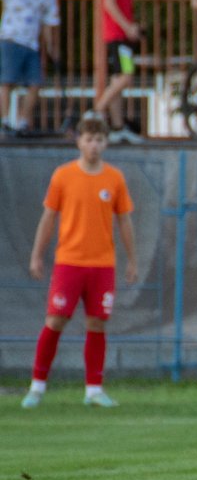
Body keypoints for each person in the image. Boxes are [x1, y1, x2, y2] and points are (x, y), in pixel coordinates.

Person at [23, 116, 137, 408]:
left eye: (99, 139)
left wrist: (132, 260)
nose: (94, 145)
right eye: (89, 139)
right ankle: (37, 386)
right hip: (69, 262)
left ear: (106, 142)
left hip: (102, 265)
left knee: (97, 323)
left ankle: (94, 390)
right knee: (55, 320)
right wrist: (37, 255)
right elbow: (48, 217)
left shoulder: (114, 178)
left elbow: (124, 221)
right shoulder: (63, 176)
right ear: (79, 141)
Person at [92, 0, 145, 144]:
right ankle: (96, 111)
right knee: (126, 76)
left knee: (118, 79)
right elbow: (109, 2)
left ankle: (117, 126)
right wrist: (127, 26)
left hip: (121, 33)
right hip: (117, 34)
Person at [0, 0, 60, 136]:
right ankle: (4, 121)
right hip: (10, 39)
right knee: (6, 81)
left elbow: (50, 23)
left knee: (35, 82)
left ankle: (22, 122)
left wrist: (52, 48)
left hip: (32, 44)